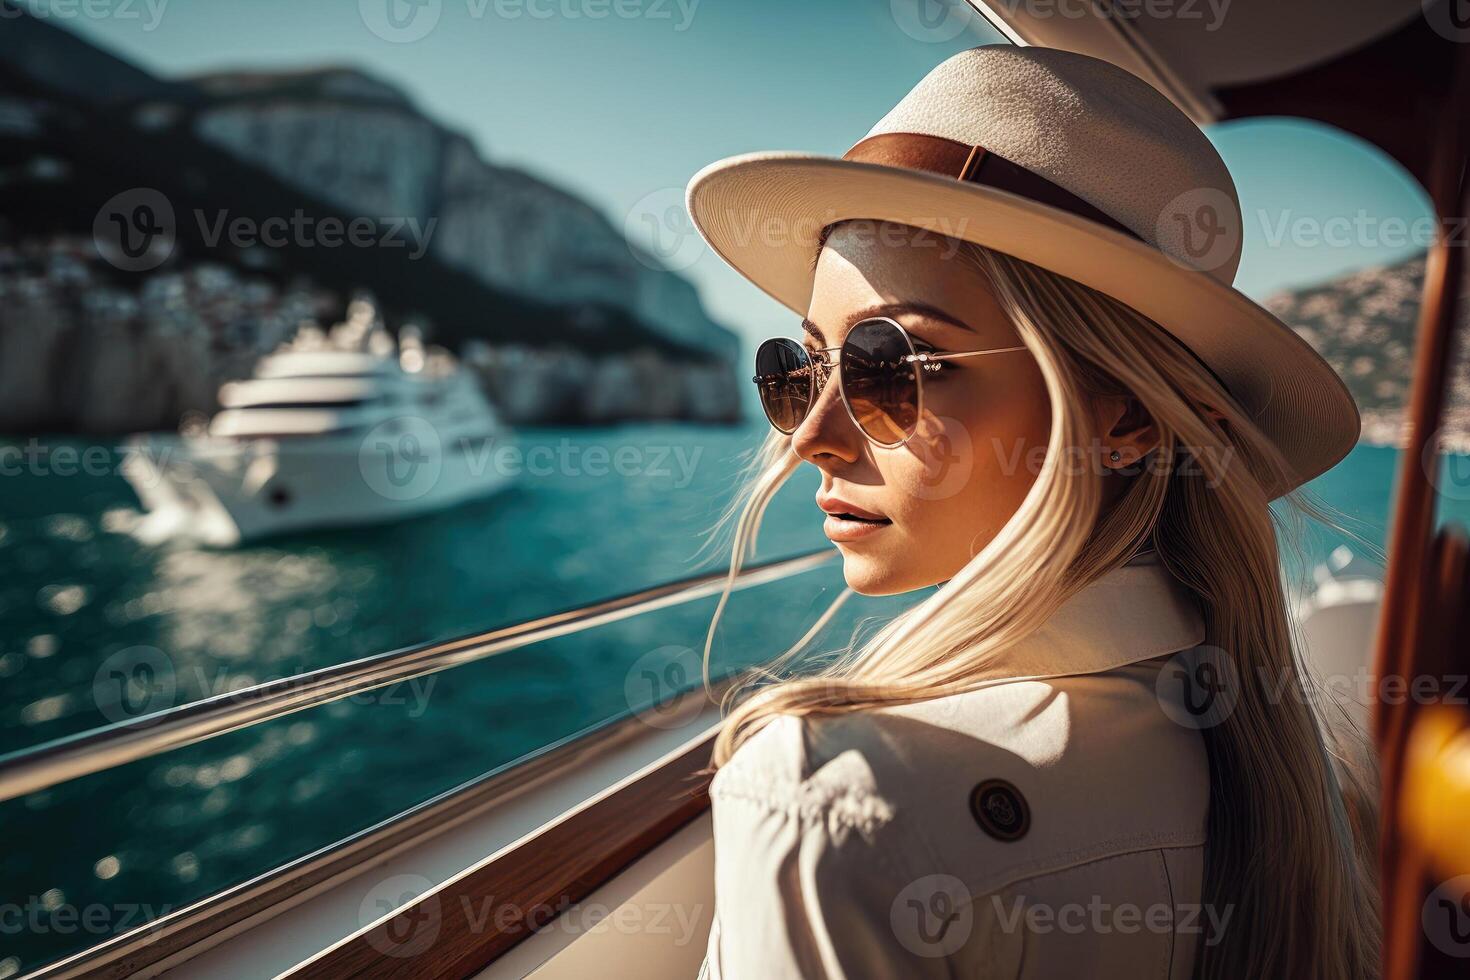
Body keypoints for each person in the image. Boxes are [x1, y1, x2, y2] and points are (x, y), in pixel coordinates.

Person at [687, 45, 1378, 979]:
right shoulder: (1271, 760)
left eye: (890, 367)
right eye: (801, 367)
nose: (810, 434)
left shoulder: (825, 795)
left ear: (1123, 416)